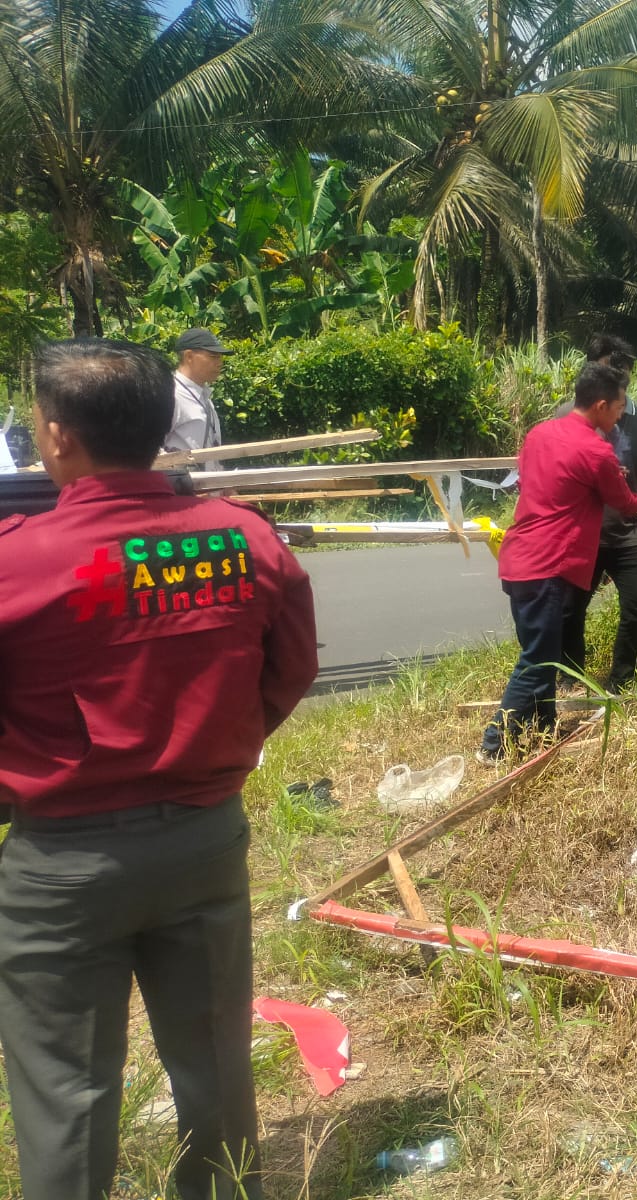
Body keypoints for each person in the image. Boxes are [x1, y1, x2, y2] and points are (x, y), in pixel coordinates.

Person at [0, 339, 319, 1200]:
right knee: (216, 1069)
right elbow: (289, 671)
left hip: (62, 864)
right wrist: (221, 744)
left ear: (59, 436)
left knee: (66, 1093)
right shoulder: (244, 540)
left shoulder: (16, 559)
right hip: (205, 842)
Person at [481, 363, 637, 761]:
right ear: (601, 405)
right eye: (619, 408)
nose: (621, 415)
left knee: (545, 653)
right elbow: (628, 503)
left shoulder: (539, 434)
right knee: (537, 662)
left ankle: (544, 732)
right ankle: (494, 745)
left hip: (518, 558)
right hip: (547, 565)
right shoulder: (595, 450)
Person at [554, 334, 637, 692]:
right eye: (607, 373)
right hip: (582, 533)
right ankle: (571, 679)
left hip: (627, 531)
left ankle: (620, 682)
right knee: (570, 610)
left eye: (622, 375)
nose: (616, 383)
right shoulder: (563, 419)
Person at [165, 326, 231, 452]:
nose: (220, 363)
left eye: (220, 357)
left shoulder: (204, 396)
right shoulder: (170, 395)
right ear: (189, 356)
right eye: (213, 356)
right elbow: (150, 451)